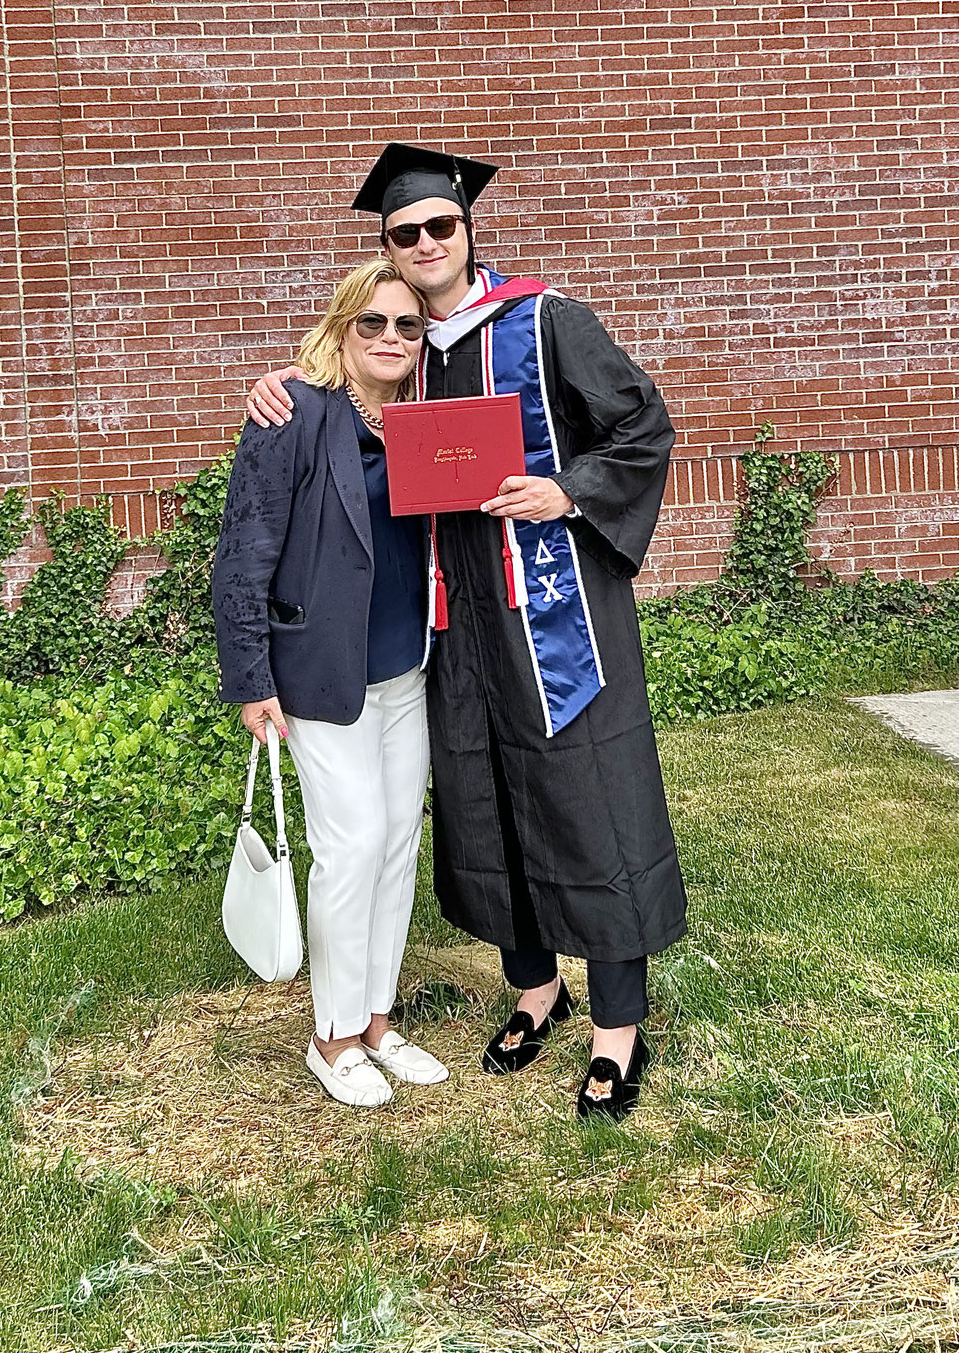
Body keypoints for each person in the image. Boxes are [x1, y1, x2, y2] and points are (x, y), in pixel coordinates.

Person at [247, 144, 685, 1122]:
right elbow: (338, 395)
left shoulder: (545, 319)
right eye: (406, 233)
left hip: (556, 604)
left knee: (589, 800)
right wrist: (283, 377)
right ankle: (537, 989)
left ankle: (618, 1025)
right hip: (454, 622)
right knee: (488, 801)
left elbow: (643, 426)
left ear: (468, 229)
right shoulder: (406, 345)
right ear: (389, 250)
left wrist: (566, 490)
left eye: (441, 225)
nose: (427, 244)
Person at [213, 258, 451, 1109]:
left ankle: (378, 1020)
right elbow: (243, 548)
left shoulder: (424, 421)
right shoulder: (293, 412)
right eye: (373, 324)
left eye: (407, 326)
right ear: (343, 327)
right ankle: (332, 1037)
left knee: (394, 848)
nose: (391, 338)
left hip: (405, 669)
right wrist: (249, 677)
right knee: (347, 853)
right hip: (320, 673)